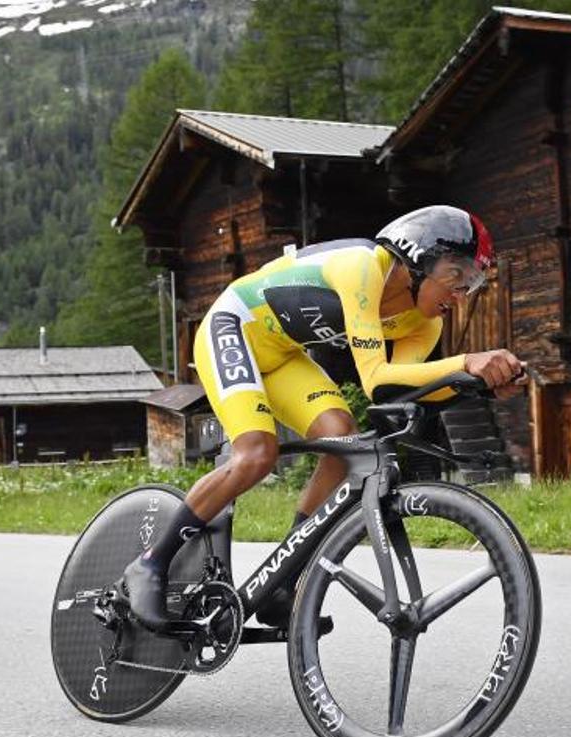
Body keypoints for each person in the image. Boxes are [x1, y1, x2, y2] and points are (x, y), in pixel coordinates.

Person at [123, 205, 527, 630]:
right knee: (257, 454)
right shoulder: (363, 267)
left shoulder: (424, 325)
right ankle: (151, 564)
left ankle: (283, 580)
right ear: (418, 255)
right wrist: (467, 363)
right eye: (456, 275)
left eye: (472, 283)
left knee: (341, 441)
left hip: (282, 356)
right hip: (234, 326)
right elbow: (375, 378)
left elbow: (399, 393)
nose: (462, 293)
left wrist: (474, 382)